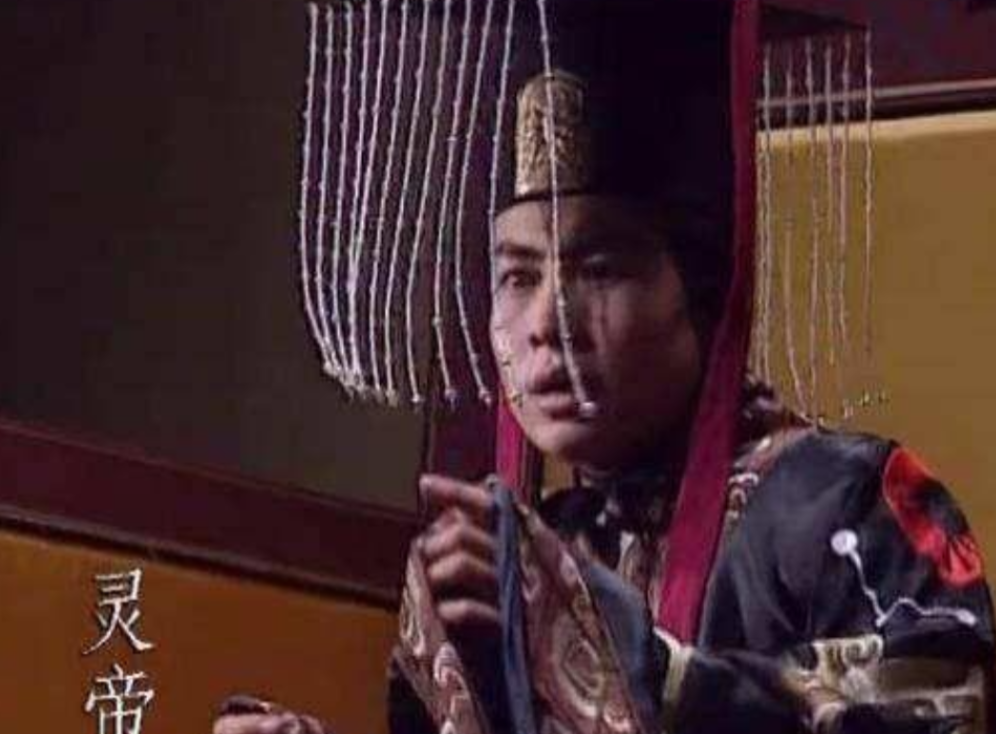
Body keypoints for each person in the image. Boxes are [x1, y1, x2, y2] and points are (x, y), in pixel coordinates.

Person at [215, 0, 994, 732]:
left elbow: (942, 706)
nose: (548, 324)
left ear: (701, 293)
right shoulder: (526, 551)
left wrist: (641, 668)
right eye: (518, 276)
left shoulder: (844, 500)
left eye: (600, 269)